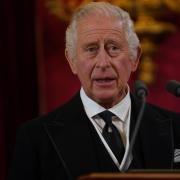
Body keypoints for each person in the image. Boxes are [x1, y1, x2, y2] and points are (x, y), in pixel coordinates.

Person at [8, 2, 180, 180]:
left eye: (113, 48)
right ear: (72, 60)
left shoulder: (177, 129)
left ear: (134, 58)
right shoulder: (35, 138)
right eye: (91, 49)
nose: (103, 63)